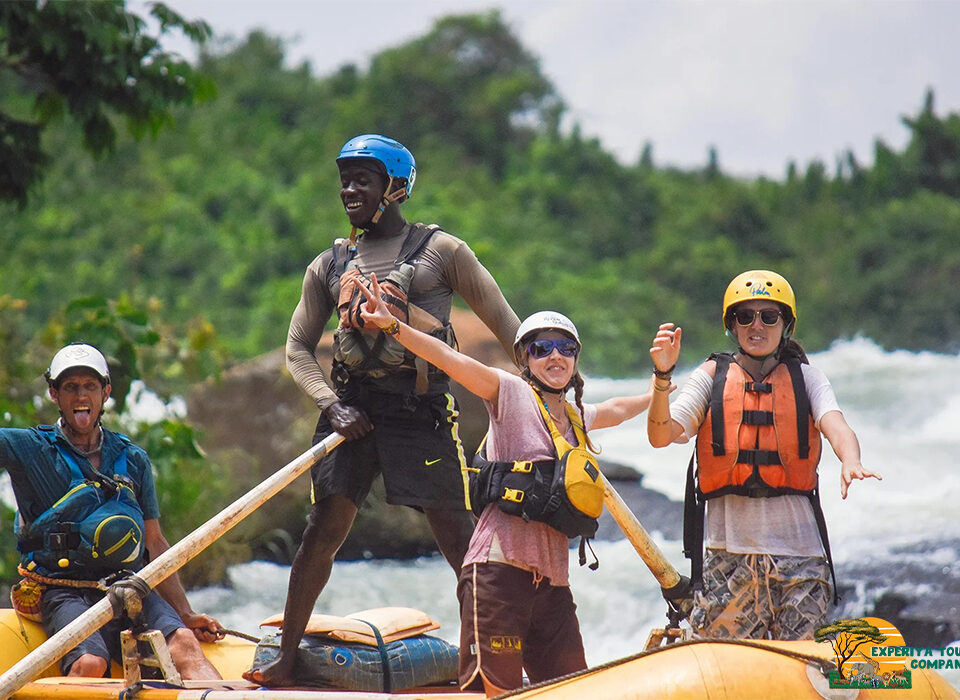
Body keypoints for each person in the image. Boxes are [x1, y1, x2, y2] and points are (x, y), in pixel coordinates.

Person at [245, 134, 520, 687]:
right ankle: (286, 658)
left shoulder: (443, 253)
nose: (349, 189)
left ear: (395, 188)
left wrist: (549, 374)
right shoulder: (328, 263)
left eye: (362, 179)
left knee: (457, 539)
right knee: (321, 532)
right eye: (345, 179)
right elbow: (298, 348)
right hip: (351, 412)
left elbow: (507, 325)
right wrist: (330, 405)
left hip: (419, 413)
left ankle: (480, 665)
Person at [355, 282, 656, 696]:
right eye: (542, 348)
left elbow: (619, 409)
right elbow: (447, 358)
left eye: (565, 348)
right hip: (498, 576)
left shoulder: (576, 415)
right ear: (524, 358)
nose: (555, 356)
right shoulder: (509, 393)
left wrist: (660, 384)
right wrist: (393, 327)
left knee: (572, 690)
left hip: (553, 587)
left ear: (575, 359)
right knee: (491, 691)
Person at [647, 270, 881, 641]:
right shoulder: (711, 376)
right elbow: (662, 435)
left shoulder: (808, 378)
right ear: (733, 326)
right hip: (729, 563)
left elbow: (837, 426)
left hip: (801, 563)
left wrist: (850, 461)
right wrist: (662, 377)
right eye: (745, 316)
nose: (757, 325)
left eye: (769, 316)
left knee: (803, 672)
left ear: (785, 324)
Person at [1, 343, 224, 678]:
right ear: (54, 394)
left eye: (90, 386)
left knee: (186, 648)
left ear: (105, 392)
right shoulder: (30, 448)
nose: (81, 396)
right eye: (70, 387)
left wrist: (186, 613)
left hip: (129, 587)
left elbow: (155, 543)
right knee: (91, 663)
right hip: (64, 590)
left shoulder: (132, 458)